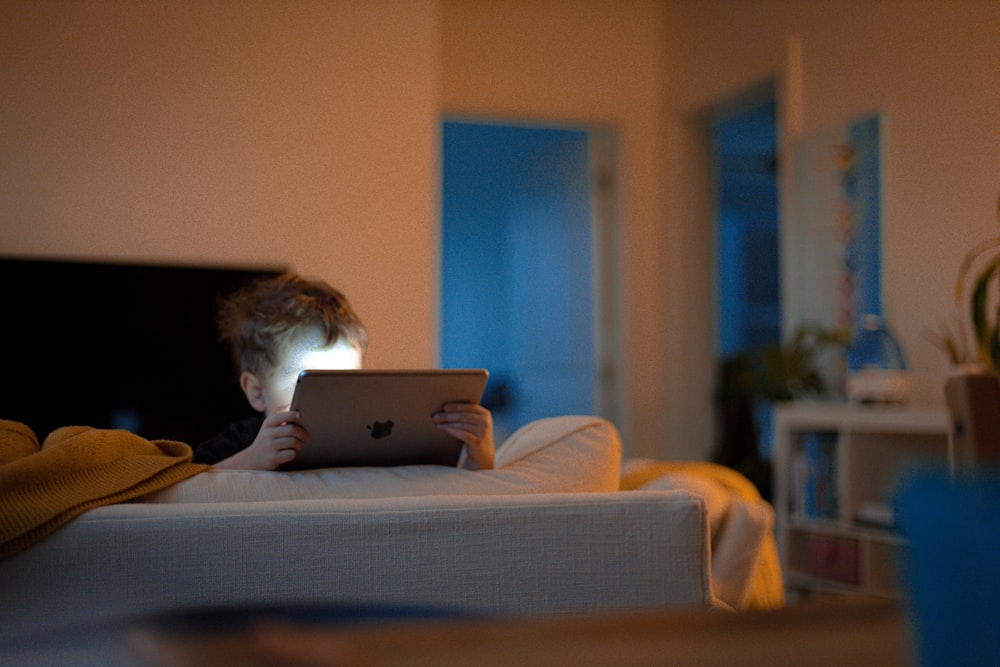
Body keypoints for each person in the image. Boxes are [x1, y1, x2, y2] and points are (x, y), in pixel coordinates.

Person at [192, 273, 495, 471]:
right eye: (309, 379)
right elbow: (191, 486)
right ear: (257, 392)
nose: (333, 397)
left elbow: (446, 486)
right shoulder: (247, 439)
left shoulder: (378, 436)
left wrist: (480, 454)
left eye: (346, 378)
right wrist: (255, 458)